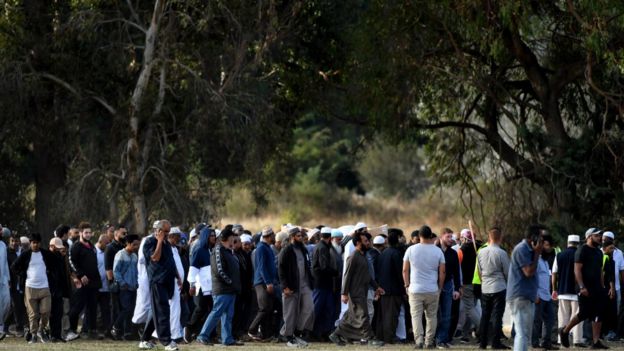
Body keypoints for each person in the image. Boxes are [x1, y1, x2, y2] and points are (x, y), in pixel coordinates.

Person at [330, 231, 385, 347]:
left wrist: (377, 287)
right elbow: (347, 275)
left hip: (363, 290)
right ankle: (370, 338)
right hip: (355, 292)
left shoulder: (363, 256)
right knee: (363, 314)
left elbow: (367, 276)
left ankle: (336, 334)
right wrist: (344, 293)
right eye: (365, 241)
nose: (368, 243)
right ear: (358, 243)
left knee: (350, 316)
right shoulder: (353, 256)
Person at [559, 228, 609, 349]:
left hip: (598, 288)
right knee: (584, 313)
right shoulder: (582, 250)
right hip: (585, 288)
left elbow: (600, 271)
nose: (600, 238)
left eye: (600, 236)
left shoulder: (598, 252)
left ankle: (596, 342)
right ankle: (565, 331)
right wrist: (582, 287)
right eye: (597, 236)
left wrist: (602, 286)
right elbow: (577, 270)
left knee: (598, 313)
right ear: (589, 237)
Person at [195, 227, 243, 346]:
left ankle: (227, 339)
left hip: (230, 290)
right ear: (226, 239)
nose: (234, 241)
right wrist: (230, 282)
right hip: (223, 289)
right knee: (216, 313)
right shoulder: (218, 250)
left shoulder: (227, 251)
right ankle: (202, 336)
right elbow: (219, 270)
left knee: (228, 315)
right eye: (232, 239)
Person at [139, 219, 180, 351]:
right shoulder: (149, 242)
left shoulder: (167, 243)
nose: (168, 234)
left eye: (169, 231)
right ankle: (167, 342)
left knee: (157, 311)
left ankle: (144, 339)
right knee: (163, 310)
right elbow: (155, 257)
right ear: (158, 230)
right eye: (165, 231)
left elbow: (170, 261)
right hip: (157, 281)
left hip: (167, 281)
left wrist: (177, 276)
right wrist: (160, 241)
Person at [403, 225, 446, 349]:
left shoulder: (411, 250)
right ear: (430, 235)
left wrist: (406, 285)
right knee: (431, 316)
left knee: (416, 316)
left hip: (415, 289)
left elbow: (405, 270)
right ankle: (429, 341)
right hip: (432, 289)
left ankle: (419, 341)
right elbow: (442, 272)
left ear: (419, 236)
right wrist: (440, 287)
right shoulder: (438, 251)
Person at [10, 233, 57, 344]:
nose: (35, 245)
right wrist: (22, 274)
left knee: (46, 311)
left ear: (40, 243)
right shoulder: (25, 255)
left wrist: (51, 275)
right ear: (30, 243)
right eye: (33, 243)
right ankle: (34, 335)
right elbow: (14, 267)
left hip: (44, 287)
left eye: (37, 243)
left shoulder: (46, 254)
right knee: (33, 314)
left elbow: (55, 264)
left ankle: (41, 330)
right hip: (30, 287)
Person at [506, 225, 543, 351]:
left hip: (527, 296)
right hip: (519, 296)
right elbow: (528, 272)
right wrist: (537, 253)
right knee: (521, 333)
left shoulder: (530, 250)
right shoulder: (521, 249)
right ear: (534, 237)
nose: (542, 241)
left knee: (526, 334)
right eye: (541, 238)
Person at [278, 226, 315, 347]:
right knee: (290, 313)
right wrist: (285, 286)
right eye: (298, 236)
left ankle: (297, 333)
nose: (301, 238)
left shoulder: (303, 249)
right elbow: (281, 270)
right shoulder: (286, 250)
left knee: (308, 308)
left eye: (301, 236)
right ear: (292, 237)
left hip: (305, 285)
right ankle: (289, 337)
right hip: (291, 286)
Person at [476, 227, 510, 350]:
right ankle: (495, 342)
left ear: (489, 237)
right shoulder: (501, 253)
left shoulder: (481, 252)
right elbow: (507, 272)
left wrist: (484, 280)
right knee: (497, 316)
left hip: (485, 287)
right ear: (499, 238)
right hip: (499, 287)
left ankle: (482, 343)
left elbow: (479, 271)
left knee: (485, 316)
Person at [67, 222, 101, 341]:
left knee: (92, 308)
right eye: (86, 232)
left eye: (89, 232)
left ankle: (92, 331)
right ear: (81, 233)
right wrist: (80, 275)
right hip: (82, 283)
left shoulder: (91, 246)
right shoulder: (76, 246)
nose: (88, 234)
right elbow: (71, 263)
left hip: (94, 283)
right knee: (77, 307)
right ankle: (71, 330)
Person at [552, 235, 584, 347]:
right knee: (578, 316)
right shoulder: (580, 254)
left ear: (568, 242)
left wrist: (554, 289)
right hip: (577, 292)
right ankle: (577, 340)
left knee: (563, 317)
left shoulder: (559, 255)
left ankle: (561, 340)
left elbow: (554, 273)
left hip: (562, 290)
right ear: (578, 243)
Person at [375, 229, 405, 344]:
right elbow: (399, 273)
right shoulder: (396, 254)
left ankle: (381, 336)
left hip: (383, 289)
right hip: (394, 290)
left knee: (383, 315)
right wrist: (403, 289)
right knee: (391, 315)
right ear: (397, 240)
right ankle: (390, 338)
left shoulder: (383, 253)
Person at [248, 226, 278, 341]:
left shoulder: (267, 247)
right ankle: (252, 330)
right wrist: (268, 282)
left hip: (267, 282)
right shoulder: (261, 248)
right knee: (264, 307)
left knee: (269, 308)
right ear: (269, 236)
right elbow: (261, 267)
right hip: (262, 283)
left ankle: (266, 334)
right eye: (273, 235)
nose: (274, 237)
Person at [185, 226, 214, 343]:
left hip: (210, 286)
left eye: (214, 235)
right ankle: (189, 327)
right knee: (200, 308)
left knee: (210, 310)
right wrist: (192, 284)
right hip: (200, 285)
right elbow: (193, 269)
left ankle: (202, 334)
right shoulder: (199, 249)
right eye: (211, 235)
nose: (214, 238)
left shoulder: (210, 250)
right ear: (206, 236)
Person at [311, 225, 339, 340]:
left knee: (327, 310)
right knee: (318, 309)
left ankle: (322, 333)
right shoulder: (323, 248)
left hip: (323, 284)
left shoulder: (320, 246)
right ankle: (311, 332)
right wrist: (335, 272)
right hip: (321, 284)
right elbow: (324, 267)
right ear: (329, 237)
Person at [436, 228, 462, 348]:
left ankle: (443, 339)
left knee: (447, 314)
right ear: (441, 237)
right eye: (448, 237)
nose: (451, 239)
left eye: (451, 237)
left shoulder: (453, 253)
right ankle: (433, 338)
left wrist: (457, 288)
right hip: (434, 285)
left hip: (448, 286)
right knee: (434, 314)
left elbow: (457, 272)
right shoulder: (434, 250)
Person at [112, 234, 140, 340]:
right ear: (127, 244)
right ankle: (115, 327)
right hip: (124, 288)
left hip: (133, 288)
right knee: (126, 309)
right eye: (134, 245)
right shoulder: (120, 255)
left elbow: (137, 272)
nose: (136, 247)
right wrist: (122, 283)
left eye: (137, 245)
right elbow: (116, 271)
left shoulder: (134, 256)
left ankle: (127, 333)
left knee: (131, 310)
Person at [533, 238, 557, 350]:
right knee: (537, 321)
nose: (549, 248)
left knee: (550, 319)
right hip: (538, 295)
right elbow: (532, 278)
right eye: (546, 245)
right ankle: (535, 343)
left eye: (550, 246)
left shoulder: (546, 261)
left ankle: (546, 342)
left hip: (547, 296)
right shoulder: (536, 260)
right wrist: (535, 294)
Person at [458, 229, 481, 343]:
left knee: (470, 309)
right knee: (471, 309)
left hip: (467, 283)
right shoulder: (481, 247)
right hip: (479, 283)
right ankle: (465, 334)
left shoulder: (462, 249)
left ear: (464, 238)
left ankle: (484, 329)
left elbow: (458, 266)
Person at [48, 237, 71, 343]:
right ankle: (52, 334)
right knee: (52, 314)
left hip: (59, 290)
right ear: (51, 247)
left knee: (59, 313)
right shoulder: (47, 258)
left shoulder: (61, 258)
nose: (59, 250)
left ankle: (57, 335)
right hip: (50, 290)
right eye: (57, 248)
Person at [105, 225, 127, 332]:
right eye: (123, 233)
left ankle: (120, 329)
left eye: (126, 233)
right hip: (115, 282)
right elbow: (108, 267)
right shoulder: (110, 247)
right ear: (116, 233)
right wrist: (112, 283)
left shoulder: (124, 246)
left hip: (125, 281)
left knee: (124, 307)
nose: (125, 235)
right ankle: (113, 330)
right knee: (115, 308)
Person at [602, 231, 623, 341]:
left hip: (617, 287)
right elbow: (604, 273)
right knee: (604, 309)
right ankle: (604, 332)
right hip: (604, 287)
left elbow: (621, 270)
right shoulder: (600, 251)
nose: (603, 240)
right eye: (603, 239)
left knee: (616, 311)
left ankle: (613, 332)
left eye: (606, 239)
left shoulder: (619, 253)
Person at [7, 233, 27, 338]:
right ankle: (19, 329)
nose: (14, 243)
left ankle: (6, 327)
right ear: (9, 242)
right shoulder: (7, 253)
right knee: (16, 307)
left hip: (23, 283)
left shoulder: (23, 252)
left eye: (16, 241)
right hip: (12, 284)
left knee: (19, 307)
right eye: (12, 241)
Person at [94, 234, 112, 339]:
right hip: (96, 286)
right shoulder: (94, 252)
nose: (108, 245)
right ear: (100, 242)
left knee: (105, 310)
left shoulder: (107, 252)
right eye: (106, 243)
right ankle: (94, 330)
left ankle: (106, 330)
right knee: (95, 310)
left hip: (106, 286)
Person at [0, 226, 9, 341]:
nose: (1, 231)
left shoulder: (2, 245)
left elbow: (5, 262)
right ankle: (1, 329)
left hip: (3, 280)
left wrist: (8, 278)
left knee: (6, 303)